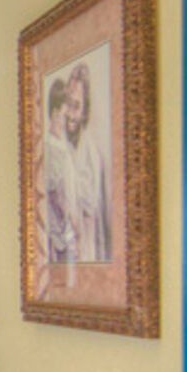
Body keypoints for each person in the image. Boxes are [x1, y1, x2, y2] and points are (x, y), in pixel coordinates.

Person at [65, 61, 112, 263]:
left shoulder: (93, 157)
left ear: (85, 112)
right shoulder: (59, 148)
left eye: (75, 106)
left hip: (86, 254)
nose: (68, 112)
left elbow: (97, 221)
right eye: (67, 103)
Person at [42, 76, 77, 276]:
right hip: (60, 236)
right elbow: (54, 193)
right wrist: (69, 218)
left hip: (67, 234)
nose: (67, 120)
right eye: (64, 115)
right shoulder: (50, 149)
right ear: (55, 114)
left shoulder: (64, 147)